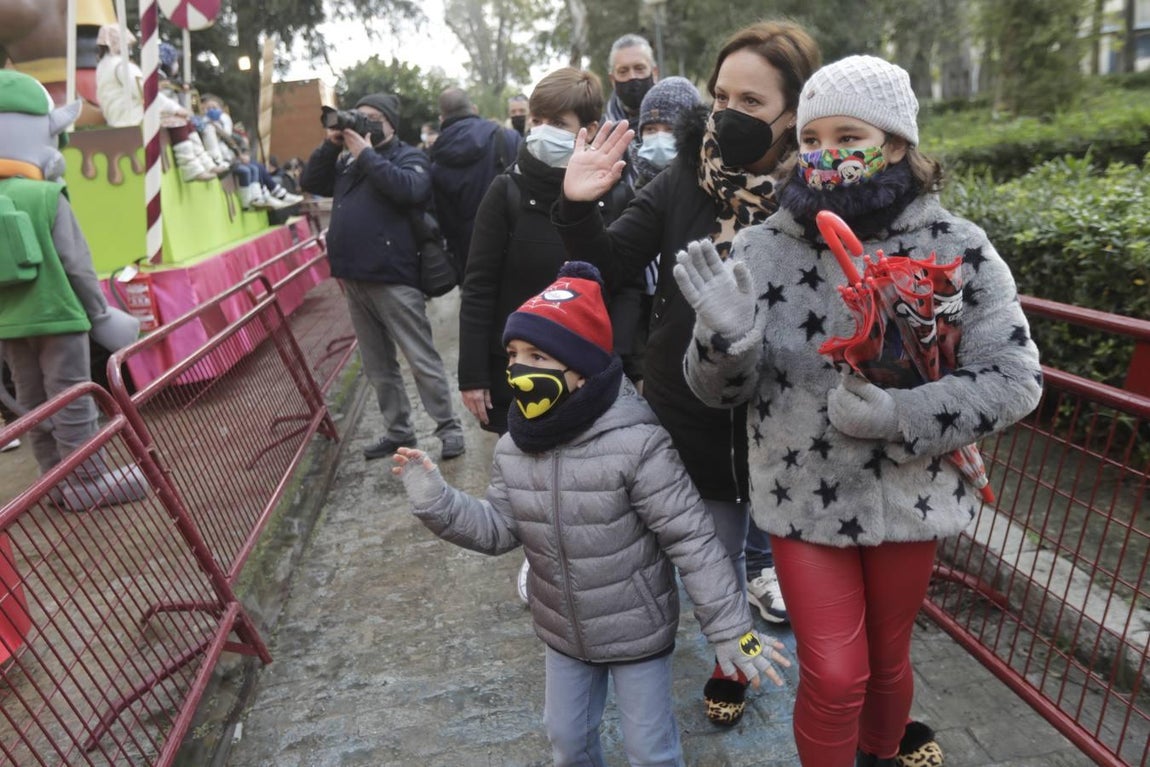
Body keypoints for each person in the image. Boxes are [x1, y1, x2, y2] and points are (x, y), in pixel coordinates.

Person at [674, 55, 1042, 767]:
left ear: (897, 142)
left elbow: (1013, 377)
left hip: (912, 498)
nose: (825, 153)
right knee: (838, 675)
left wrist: (901, 415)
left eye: (849, 134)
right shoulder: (760, 246)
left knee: (888, 660)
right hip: (802, 500)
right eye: (812, 138)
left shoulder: (957, 246)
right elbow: (716, 391)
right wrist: (724, 340)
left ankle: (880, 752)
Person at [392, 261, 791, 766]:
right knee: (566, 739)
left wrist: (730, 628)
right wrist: (437, 502)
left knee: (650, 750)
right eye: (514, 354)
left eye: (537, 355)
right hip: (563, 632)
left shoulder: (638, 445)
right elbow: (498, 529)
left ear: (581, 371)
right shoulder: (515, 447)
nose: (518, 368)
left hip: (637, 632)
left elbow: (692, 541)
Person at [553, 20, 819, 725]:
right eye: (720, 94)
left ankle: (846, 689)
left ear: (796, 112)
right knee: (714, 554)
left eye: (752, 103)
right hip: (692, 414)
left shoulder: (818, 196)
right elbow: (608, 262)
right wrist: (578, 206)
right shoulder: (684, 177)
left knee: (805, 566)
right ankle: (731, 660)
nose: (728, 113)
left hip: (789, 423)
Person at [459, 67, 638, 439]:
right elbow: (478, 287)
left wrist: (620, 366)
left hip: (589, 377)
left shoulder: (617, 194)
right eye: (537, 119)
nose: (541, 129)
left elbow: (626, 288)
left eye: (557, 121)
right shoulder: (505, 191)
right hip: (518, 377)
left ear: (588, 126)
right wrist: (473, 375)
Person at [0, 69, 147, 510]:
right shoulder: (47, 195)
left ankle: (53, 482)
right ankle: (87, 481)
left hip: (9, 325)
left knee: (32, 403)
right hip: (59, 315)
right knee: (72, 398)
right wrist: (101, 313)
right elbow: (77, 265)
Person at [301, 92, 465, 462]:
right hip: (353, 278)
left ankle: (448, 428)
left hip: (395, 277)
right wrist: (331, 144)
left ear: (390, 123)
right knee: (378, 366)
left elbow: (410, 190)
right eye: (358, 117)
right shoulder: (346, 162)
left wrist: (365, 152)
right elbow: (312, 180)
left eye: (372, 117)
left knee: (420, 359)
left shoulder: (407, 156)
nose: (363, 122)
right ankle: (398, 431)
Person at [93, 23, 224, 183]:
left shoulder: (102, 67)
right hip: (131, 116)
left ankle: (204, 163)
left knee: (185, 121)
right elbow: (147, 92)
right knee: (179, 121)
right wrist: (176, 109)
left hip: (118, 115)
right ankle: (190, 166)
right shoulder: (123, 66)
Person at [429, 87, 522, 275]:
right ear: (474, 109)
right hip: (514, 242)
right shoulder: (507, 137)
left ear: (442, 119)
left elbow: (444, 217)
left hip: (468, 252)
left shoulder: (437, 157)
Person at [603, 33, 659, 188]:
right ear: (612, 80)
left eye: (639, 68)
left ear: (654, 72)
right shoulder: (602, 133)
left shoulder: (680, 121)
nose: (632, 77)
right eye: (623, 71)